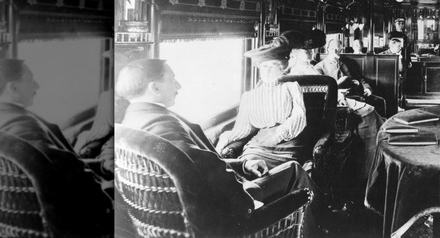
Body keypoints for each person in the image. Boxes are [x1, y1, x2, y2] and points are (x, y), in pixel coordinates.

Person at [116, 59, 318, 232]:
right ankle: (326, 226)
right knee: (294, 170)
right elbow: (208, 170)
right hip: (221, 218)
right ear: (155, 88)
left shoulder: (132, 121)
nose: (178, 86)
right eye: (172, 80)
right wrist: (249, 202)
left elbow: (194, 165)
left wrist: (242, 165)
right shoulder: (164, 125)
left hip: (182, 216)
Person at [0, 59, 112, 235]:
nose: (37, 86)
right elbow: (67, 178)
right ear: (13, 88)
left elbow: (55, 166)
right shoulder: (23, 125)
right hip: (67, 223)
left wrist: (99, 165)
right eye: (30, 79)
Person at [216, 36, 309, 168]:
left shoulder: (292, 87)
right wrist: (224, 140)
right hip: (259, 144)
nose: (268, 70)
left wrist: (278, 135)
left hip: (287, 142)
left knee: (285, 169)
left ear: (281, 68)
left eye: (273, 66)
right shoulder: (249, 96)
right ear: (259, 68)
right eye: (264, 66)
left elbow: (299, 116)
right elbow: (242, 129)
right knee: (250, 165)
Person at [315, 38, 387, 116]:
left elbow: (360, 78)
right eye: (333, 48)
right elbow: (322, 89)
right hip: (338, 97)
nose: (336, 51)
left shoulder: (348, 62)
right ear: (328, 49)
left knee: (380, 102)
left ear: (341, 49)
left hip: (356, 93)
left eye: (338, 49)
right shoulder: (320, 67)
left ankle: (382, 127)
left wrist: (367, 88)